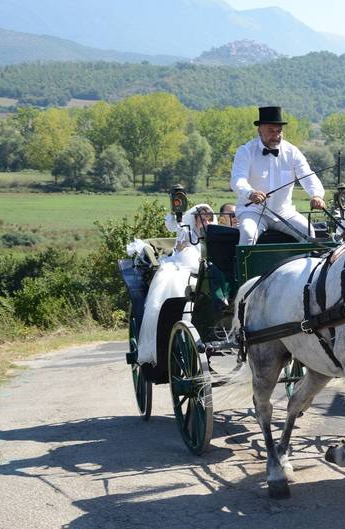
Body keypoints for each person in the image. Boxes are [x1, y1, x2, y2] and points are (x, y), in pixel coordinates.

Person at [132, 204, 215, 365]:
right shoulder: (187, 233)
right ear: (195, 220)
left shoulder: (214, 234)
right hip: (185, 267)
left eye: (208, 219)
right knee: (176, 284)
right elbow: (182, 252)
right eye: (202, 219)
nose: (206, 222)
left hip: (206, 269)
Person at [230, 106, 326, 245]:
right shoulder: (245, 151)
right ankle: (242, 267)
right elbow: (237, 180)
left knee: (309, 232)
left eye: (279, 131)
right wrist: (250, 193)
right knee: (248, 234)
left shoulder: (292, 152)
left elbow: (307, 175)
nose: (276, 135)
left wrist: (316, 195)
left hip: (284, 212)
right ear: (260, 130)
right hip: (252, 211)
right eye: (271, 131)